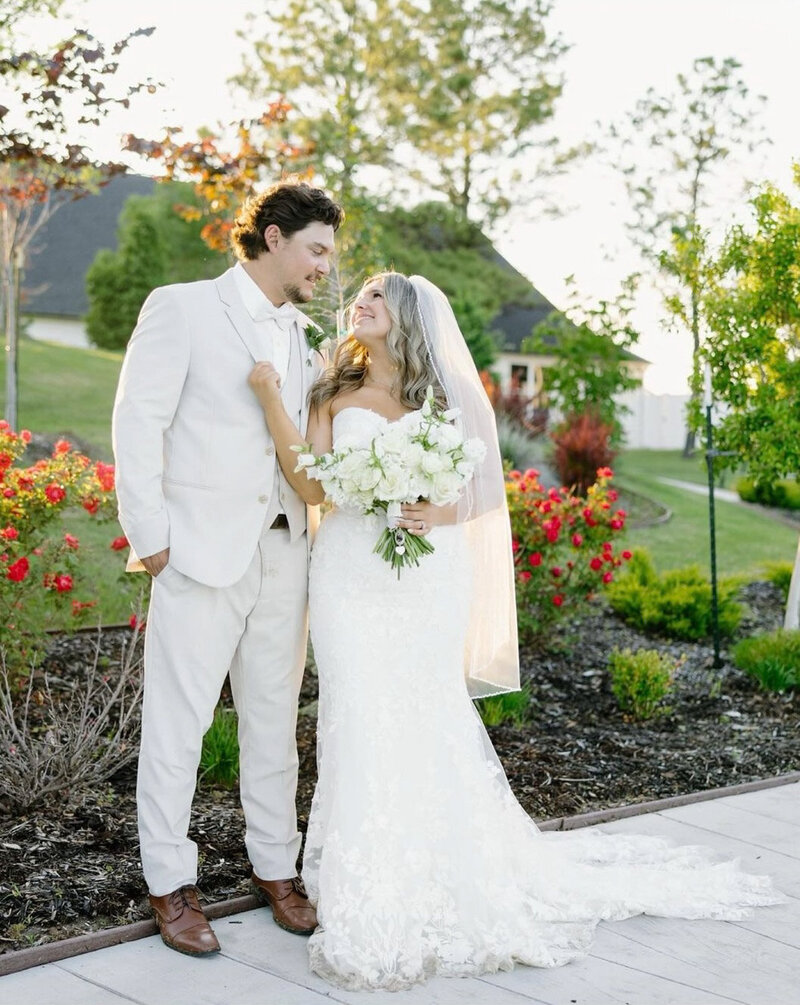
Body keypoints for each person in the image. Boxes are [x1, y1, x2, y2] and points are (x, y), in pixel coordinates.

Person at [248, 271, 783, 992]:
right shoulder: (330, 392)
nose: (360, 304)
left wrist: (432, 514)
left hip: (426, 576)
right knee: (360, 714)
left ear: (403, 317)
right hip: (349, 572)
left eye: (376, 297)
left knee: (426, 711)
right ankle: (366, 869)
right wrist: (270, 400)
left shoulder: (439, 397)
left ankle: (439, 862)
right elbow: (313, 484)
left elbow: (473, 488)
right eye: (360, 297)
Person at [112, 180, 344, 957]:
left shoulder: (306, 339)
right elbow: (138, 419)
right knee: (178, 724)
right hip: (198, 551)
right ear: (274, 237)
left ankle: (277, 867)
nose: (324, 267)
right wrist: (150, 535)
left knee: (275, 725)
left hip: (286, 555)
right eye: (316, 249)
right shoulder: (181, 307)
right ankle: (171, 883)